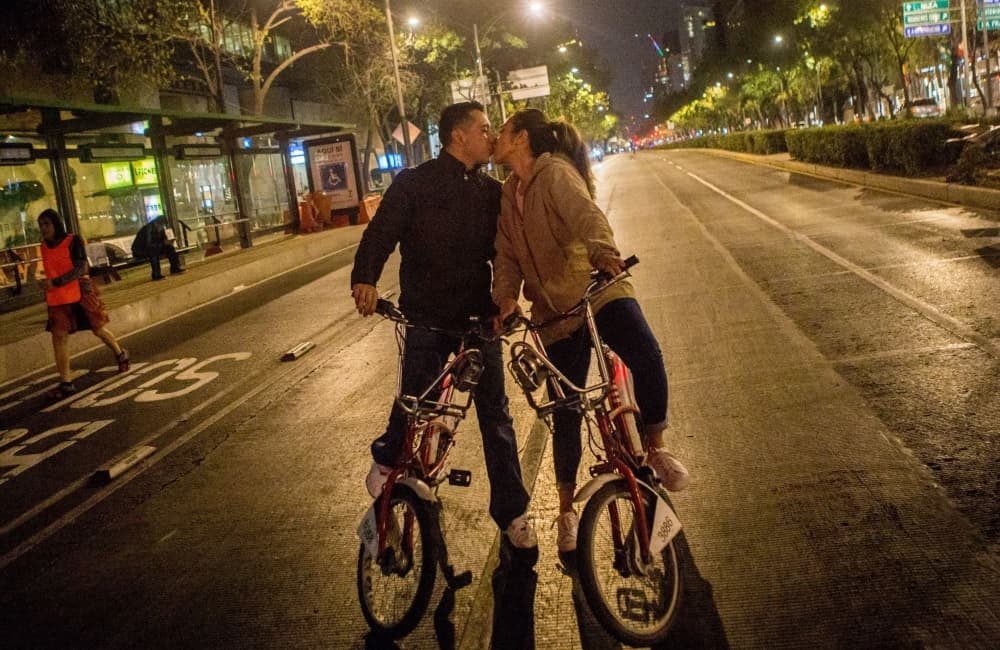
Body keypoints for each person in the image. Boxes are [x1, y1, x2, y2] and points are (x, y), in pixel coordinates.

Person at [490, 108, 690, 554]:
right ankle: (566, 510)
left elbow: (587, 216)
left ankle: (655, 445)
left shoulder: (555, 174)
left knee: (645, 351)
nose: (495, 138)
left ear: (521, 139)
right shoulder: (509, 194)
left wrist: (603, 252)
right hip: (554, 314)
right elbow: (505, 256)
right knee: (565, 410)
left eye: (501, 131)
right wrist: (506, 299)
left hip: (597, 288)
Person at [350, 101, 536, 552]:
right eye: (485, 129)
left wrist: (508, 301)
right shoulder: (413, 185)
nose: (491, 136)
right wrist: (364, 279)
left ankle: (512, 514)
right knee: (416, 403)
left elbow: (507, 254)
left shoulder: (493, 193)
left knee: (497, 419)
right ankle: (387, 465)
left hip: (478, 321)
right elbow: (381, 234)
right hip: (427, 318)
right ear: (458, 135)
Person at [37, 208, 129, 399]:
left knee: (98, 328)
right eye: (41, 225)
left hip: (80, 293)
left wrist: (57, 281)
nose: (44, 228)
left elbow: (81, 267)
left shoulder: (74, 241)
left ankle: (120, 354)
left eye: (47, 224)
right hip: (58, 299)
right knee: (59, 337)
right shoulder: (44, 246)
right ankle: (66, 383)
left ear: (56, 224)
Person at [132, 215, 184, 280]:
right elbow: (149, 244)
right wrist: (163, 243)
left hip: (155, 247)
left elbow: (163, 239)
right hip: (140, 250)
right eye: (162, 225)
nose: (162, 227)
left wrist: (169, 242)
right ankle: (156, 274)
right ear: (157, 223)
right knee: (153, 252)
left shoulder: (160, 228)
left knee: (170, 248)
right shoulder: (148, 229)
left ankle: (174, 268)